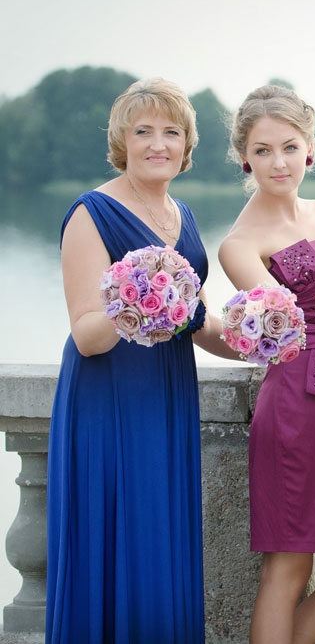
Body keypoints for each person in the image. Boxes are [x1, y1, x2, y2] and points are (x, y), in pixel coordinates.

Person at [45, 77, 237, 643]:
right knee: (115, 533)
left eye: (171, 132)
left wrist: (261, 341)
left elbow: (199, 323)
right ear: (121, 141)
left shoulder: (184, 216)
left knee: (160, 532)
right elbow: (87, 335)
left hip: (168, 391)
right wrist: (135, 301)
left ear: (186, 144)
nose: (158, 144)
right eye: (143, 131)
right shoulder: (92, 212)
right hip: (109, 396)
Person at [218, 85, 315, 644]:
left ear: (310, 150)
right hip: (298, 402)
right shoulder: (239, 244)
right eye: (263, 150)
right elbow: (277, 326)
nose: (279, 162)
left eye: (290, 147)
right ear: (244, 157)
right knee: (289, 565)